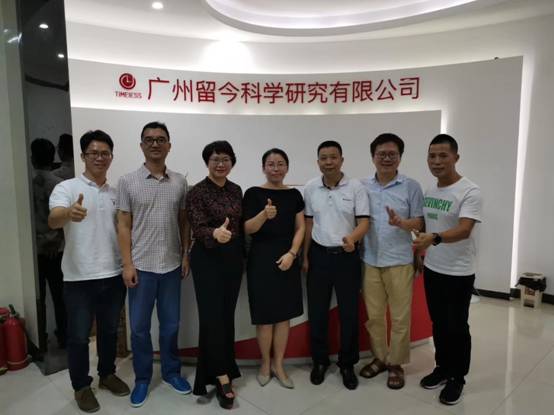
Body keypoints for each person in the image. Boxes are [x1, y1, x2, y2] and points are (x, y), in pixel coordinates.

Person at [48, 130, 129, 413]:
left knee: (109, 331)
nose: (99, 158)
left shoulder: (117, 193)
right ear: (83, 156)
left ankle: (107, 374)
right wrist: (68, 213)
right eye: (93, 153)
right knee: (79, 336)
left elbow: (124, 230)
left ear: (111, 157)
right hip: (78, 277)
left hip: (112, 274)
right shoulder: (67, 188)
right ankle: (81, 386)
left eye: (105, 153)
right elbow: (53, 219)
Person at [116, 121, 190, 407]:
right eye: (149, 139)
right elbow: (123, 225)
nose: (155, 144)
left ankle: (172, 372)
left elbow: (183, 222)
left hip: (171, 265)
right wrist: (127, 264)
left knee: (171, 325)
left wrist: (185, 254)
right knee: (138, 328)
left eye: (161, 139)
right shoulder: (127, 181)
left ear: (169, 145)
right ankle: (143, 379)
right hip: (141, 267)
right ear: (141, 145)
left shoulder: (179, 182)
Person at [413, 134, 482, 405]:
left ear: (456, 157)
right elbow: (426, 226)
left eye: (443, 155)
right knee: (439, 323)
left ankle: (457, 377)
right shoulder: (431, 190)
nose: (437, 161)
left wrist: (434, 239)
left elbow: (464, 229)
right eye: (432, 156)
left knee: (457, 326)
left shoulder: (470, 191)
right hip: (433, 268)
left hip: (459, 272)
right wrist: (420, 247)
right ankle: (442, 368)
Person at [302, 140, 370, 390]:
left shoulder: (356, 187)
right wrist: (305, 256)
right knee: (317, 312)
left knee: (349, 313)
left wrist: (353, 239)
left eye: (333, 157)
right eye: (323, 158)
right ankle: (319, 361)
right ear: (317, 161)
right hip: (318, 255)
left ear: (342, 160)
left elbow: (364, 222)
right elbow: (309, 224)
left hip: (346, 257)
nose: (328, 162)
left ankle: (347, 364)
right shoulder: (311, 187)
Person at [359, 133, 424, 389]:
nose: (386, 158)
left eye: (392, 154)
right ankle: (380, 357)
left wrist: (401, 223)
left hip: (399, 260)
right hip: (370, 259)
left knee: (400, 317)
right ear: (372, 157)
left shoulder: (411, 186)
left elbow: (419, 222)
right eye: (381, 154)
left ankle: (395, 363)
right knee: (374, 317)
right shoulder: (362, 186)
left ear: (400, 157)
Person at [186, 140, 243, 409]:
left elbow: (240, 226)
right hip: (207, 258)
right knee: (212, 318)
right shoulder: (196, 192)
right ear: (207, 162)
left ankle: (222, 368)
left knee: (226, 317)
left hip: (232, 259)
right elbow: (196, 227)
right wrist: (214, 233)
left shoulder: (236, 190)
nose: (221, 164)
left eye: (225, 159)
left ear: (232, 162)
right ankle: (222, 377)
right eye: (215, 159)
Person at [243, 148, 305, 389]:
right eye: (271, 164)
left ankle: (279, 364)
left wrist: (293, 254)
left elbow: (301, 228)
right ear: (263, 168)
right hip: (260, 260)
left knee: (283, 317)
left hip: (288, 258)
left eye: (280, 164)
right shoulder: (253, 193)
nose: (276, 168)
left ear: (287, 167)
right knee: (265, 318)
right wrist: (263, 215)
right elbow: (247, 228)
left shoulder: (294, 195)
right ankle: (265, 364)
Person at [31, 138, 66, 350]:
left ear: (32, 158)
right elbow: (63, 220)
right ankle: (63, 336)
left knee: (39, 297)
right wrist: (55, 240)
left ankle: (40, 340)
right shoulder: (57, 183)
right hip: (55, 248)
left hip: (35, 249)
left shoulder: (29, 182)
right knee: (59, 296)